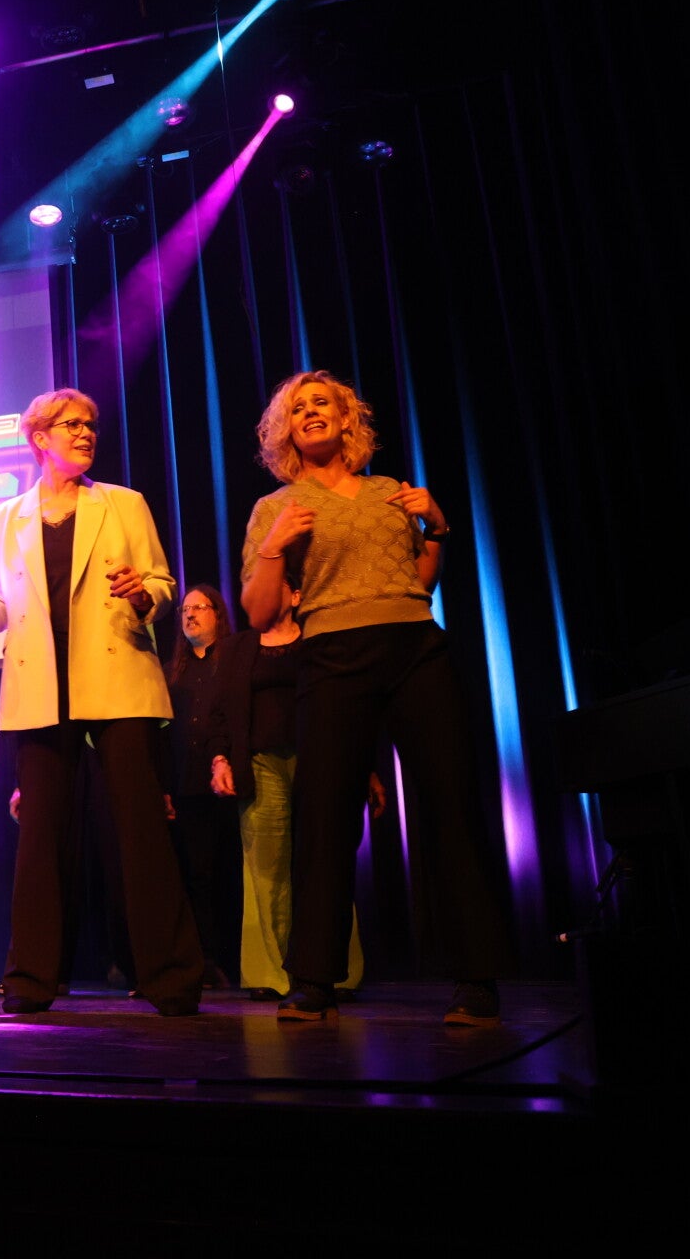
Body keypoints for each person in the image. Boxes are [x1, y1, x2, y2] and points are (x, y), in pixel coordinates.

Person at [240, 370, 508, 1024]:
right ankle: (314, 980)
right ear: (285, 431)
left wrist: (437, 530)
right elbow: (258, 612)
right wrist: (274, 549)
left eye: (322, 403)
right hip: (332, 656)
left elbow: (418, 582)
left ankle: (476, 979)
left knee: (450, 803)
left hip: (415, 647)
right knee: (325, 816)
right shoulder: (276, 507)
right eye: (298, 408)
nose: (311, 412)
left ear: (346, 420)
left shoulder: (392, 492)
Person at [0, 388, 203, 1016]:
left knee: (141, 828)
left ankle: (171, 978)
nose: (86, 433)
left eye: (90, 424)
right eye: (72, 424)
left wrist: (143, 595)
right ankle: (31, 978)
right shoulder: (4, 519)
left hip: (116, 675)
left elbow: (162, 584)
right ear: (40, 439)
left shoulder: (123, 503)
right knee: (40, 835)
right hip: (41, 685)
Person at [210, 574, 378, 999]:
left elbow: (349, 707)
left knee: (326, 861)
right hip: (260, 763)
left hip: (320, 760)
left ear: (297, 595)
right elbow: (219, 712)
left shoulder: (318, 639)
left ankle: (336, 971)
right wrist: (220, 759)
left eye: (272, 584)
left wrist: (366, 768)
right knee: (266, 870)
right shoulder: (237, 648)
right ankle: (272, 974)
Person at [164, 584, 241, 989]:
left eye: (199, 607)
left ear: (217, 614)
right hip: (188, 787)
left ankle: (239, 957)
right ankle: (206, 959)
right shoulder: (172, 672)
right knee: (197, 875)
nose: (190, 614)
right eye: (184, 609)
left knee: (232, 872)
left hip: (231, 785)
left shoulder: (232, 663)